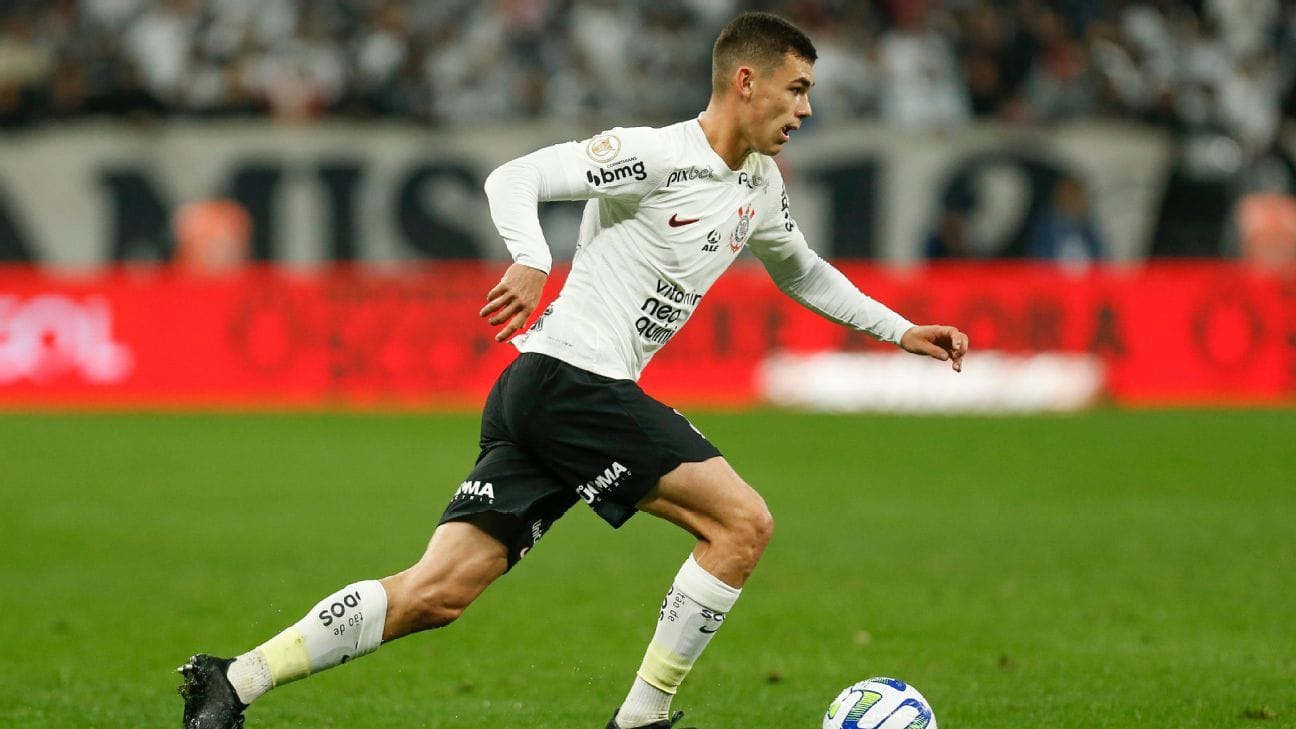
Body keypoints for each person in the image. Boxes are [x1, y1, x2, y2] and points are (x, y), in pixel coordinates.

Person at [177, 11, 969, 729]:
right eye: (796, 90)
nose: (806, 110)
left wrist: (899, 329)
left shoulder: (759, 185)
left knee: (437, 591)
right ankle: (641, 719)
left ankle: (233, 679)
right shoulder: (657, 156)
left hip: (548, 393)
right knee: (742, 523)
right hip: (573, 381)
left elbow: (803, 271)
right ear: (745, 81)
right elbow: (513, 177)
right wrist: (532, 257)